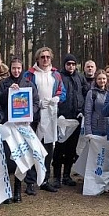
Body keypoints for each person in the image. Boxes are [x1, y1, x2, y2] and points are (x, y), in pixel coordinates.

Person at [0, 58, 40, 202]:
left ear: (22, 69)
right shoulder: (3, 84)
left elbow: (35, 103)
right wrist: (8, 92)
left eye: (19, 68)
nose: (16, 71)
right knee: (8, 159)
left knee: (21, 158)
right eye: (14, 68)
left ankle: (17, 191)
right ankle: (6, 191)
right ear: (10, 69)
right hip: (8, 126)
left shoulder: (29, 84)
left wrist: (29, 115)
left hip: (23, 126)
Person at [23, 47, 66, 193]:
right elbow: (24, 92)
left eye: (48, 57)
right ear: (37, 59)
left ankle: (45, 179)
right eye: (42, 57)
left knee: (48, 148)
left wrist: (57, 98)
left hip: (51, 115)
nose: (45, 59)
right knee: (32, 147)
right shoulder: (29, 74)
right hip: (34, 116)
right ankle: (30, 181)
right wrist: (36, 103)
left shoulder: (56, 75)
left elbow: (62, 91)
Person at [54, 55, 86, 187]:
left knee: (71, 149)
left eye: (73, 64)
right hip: (62, 118)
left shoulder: (80, 77)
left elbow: (86, 93)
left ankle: (67, 175)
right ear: (64, 65)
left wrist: (82, 110)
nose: (71, 66)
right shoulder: (59, 77)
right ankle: (56, 177)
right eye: (68, 64)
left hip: (76, 118)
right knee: (59, 148)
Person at [83, 70, 109, 138]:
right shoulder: (91, 93)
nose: (102, 81)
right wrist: (88, 131)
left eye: (104, 78)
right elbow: (88, 112)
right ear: (96, 80)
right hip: (96, 129)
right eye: (99, 79)